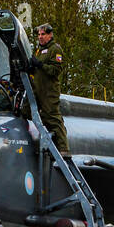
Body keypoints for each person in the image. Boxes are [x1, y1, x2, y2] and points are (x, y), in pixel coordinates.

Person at [25, 23, 68, 155]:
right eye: (39, 35)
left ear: (50, 35)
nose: (40, 37)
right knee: (25, 111)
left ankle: (63, 149)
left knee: (53, 118)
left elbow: (56, 70)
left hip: (49, 91)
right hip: (36, 89)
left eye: (43, 34)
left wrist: (40, 65)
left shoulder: (55, 49)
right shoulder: (38, 51)